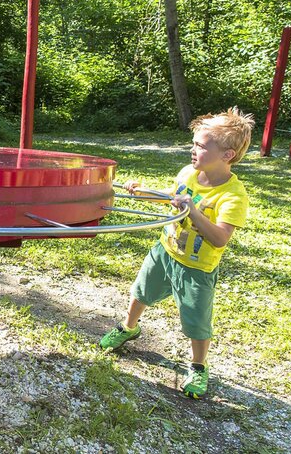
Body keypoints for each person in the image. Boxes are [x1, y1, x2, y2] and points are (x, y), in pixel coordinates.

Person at [100, 107, 255, 400]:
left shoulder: (233, 196)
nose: (193, 150)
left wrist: (194, 211)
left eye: (201, 145)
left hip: (197, 267)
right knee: (141, 291)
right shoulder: (188, 173)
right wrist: (142, 191)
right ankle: (128, 327)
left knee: (196, 319)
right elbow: (172, 200)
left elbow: (220, 238)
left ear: (227, 155)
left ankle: (198, 366)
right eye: (194, 143)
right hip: (166, 250)